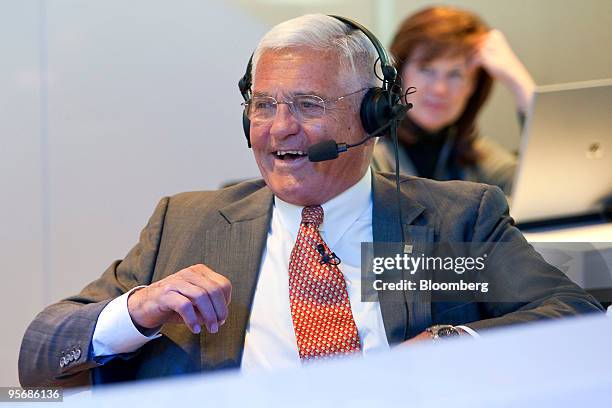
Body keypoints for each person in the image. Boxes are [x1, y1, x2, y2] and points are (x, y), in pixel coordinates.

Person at [19, 14, 601, 388]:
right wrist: (137, 311)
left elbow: (573, 317)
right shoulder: (186, 220)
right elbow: (42, 352)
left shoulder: (459, 215)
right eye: (264, 105)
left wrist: (451, 345)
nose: (279, 129)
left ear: (374, 115)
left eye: (307, 105)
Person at [371, 6, 535, 195]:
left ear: (473, 87)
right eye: (426, 69)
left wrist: (519, 82)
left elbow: (546, 188)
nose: (439, 89)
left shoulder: (473, 155)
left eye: (455, 74)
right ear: (398, 74)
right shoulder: (367, 156)